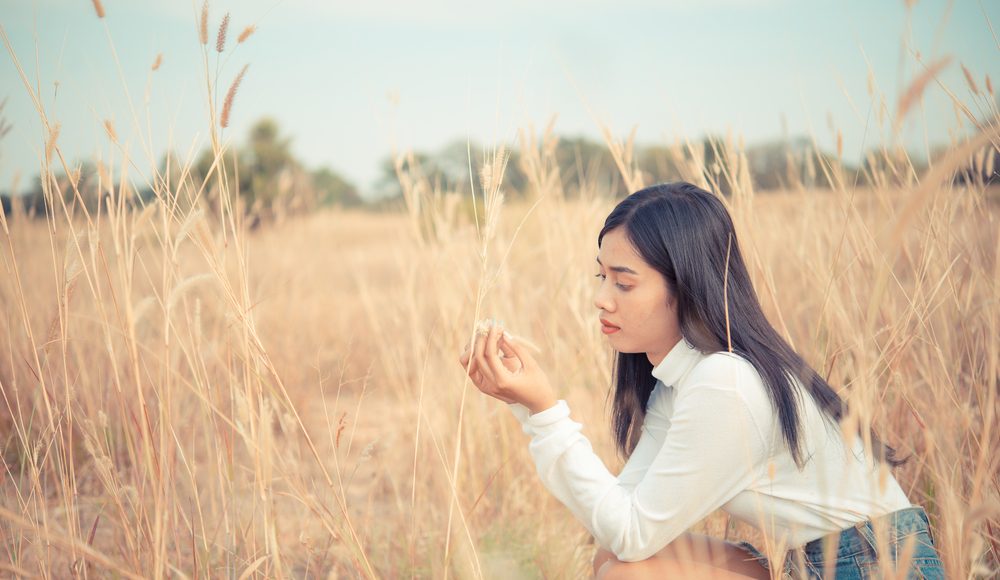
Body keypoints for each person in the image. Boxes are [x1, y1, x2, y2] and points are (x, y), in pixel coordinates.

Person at [458, 182, 945, 579]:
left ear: (686, 285)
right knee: (614, 561)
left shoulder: (725, 382)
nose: (602, 298)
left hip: (879, 567)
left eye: (624, 283)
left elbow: (631, 532)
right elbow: (617, 526)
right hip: (810, 563)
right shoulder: (682, 382)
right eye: (600, 277)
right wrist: (528, 407)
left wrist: (546, 414)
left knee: (627, 572)